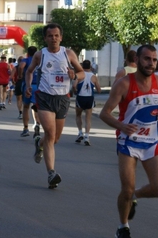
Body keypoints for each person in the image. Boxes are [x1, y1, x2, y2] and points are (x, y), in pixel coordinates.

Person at [99, 45, 158, 238]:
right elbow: (104, 114)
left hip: (151, 142)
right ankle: (123, 226)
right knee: (127, 188)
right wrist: (121, 126)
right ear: (138, 60)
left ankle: (135, 197)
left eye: (154, 60)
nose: (151, 63)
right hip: (128, 143)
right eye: (147, 59)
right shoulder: (123, 84)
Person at [25, 23, 84, 189]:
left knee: (55, 139)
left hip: (63, 98)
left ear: (61, 37)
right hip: (44, 97)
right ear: (45, 38)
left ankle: (39, 144)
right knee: (50, 134)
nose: (54, 38)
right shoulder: (40, 55)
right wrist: (29, 85)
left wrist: (75, 75)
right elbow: (29, 71)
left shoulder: (68, 53)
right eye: (50, 36)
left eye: (56, 35)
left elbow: (82, 73)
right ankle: (51, 173)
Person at [73, 59, 102, 146]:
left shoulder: (79, 75)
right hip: (89, 98)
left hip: (80, 97)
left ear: (82, 66)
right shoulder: (94, 76)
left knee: (78, 115)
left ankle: (80, 133)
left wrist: (75, 91)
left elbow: (74, 85)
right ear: (90, 67)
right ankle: (87, 136)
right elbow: (99, 90)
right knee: (88, 118)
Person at [18, 46, 40, 137]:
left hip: (28, 85)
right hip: (38, 85)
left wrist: (20, 75)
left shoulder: (26, 60)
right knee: (36, 107)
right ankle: (37, 124)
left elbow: (21, 66)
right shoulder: (39, 61)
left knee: (26, 107)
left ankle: (26, 128)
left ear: (28, 53)